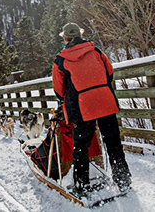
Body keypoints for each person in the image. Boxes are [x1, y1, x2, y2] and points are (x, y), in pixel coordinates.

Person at [52, 23, 131, 193]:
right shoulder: (96, 51)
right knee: (113, 142)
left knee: (81, 146)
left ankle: (82, 185)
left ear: (65, 38)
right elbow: (109, 73)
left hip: (83, 106)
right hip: (105, 102)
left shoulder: (61, 60)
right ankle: (123, 180)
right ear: (80, 34)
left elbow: (59, 89)